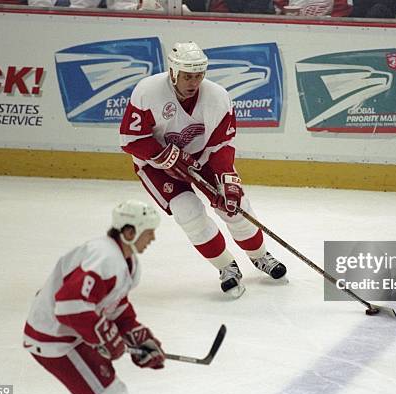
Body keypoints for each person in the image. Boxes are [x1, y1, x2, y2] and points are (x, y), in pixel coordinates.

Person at [119, 41, 287, 298]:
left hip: (203, 157)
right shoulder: (148, 91)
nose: (194, 82)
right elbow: (131, 140)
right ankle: (226, 267)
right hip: (156, 165)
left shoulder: (218, 96)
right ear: (173, 72)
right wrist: (170, 157)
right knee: (188, 212)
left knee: (234, 206)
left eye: (199, 75)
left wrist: (226, 180)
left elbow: (221, 144)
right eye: (187, 76)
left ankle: (260, 256)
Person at [23, 200, 165, 394]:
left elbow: (114, 305)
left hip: (72, 335)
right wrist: (106, 336)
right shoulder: (104, 258)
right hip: (53, 337)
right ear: (129, 232)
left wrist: (135, 334)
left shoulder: (125, 261)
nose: (153, 237)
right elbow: (68, 306)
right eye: (148, 231)